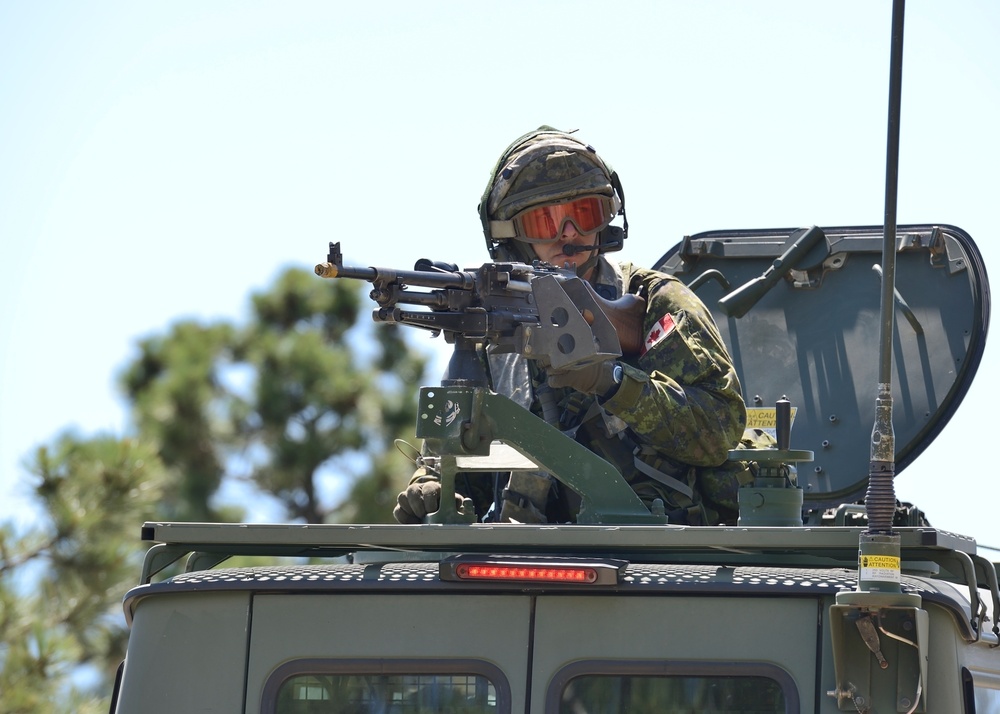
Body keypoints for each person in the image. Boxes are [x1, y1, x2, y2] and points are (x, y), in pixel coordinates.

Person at [394, 126, 749, 526]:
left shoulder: (654, 304)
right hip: (529, 554)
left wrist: (612, 381)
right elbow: (461, 455)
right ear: (510, 235)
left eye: (584, 216)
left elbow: (718, 433)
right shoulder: (492, 326)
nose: (569, 236)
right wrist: (436, 485)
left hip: (659, 550)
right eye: (545, 222)